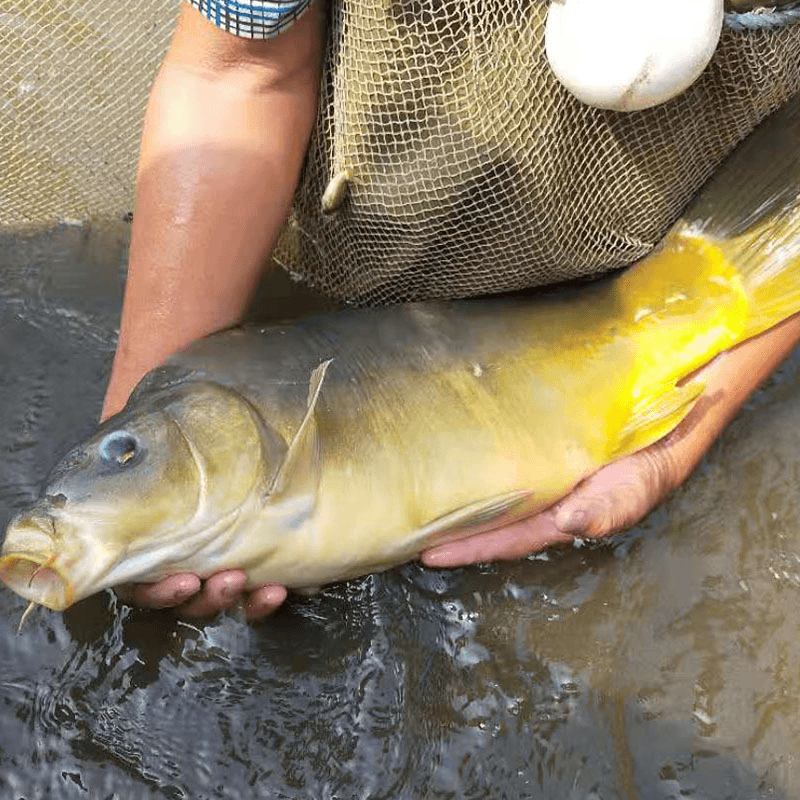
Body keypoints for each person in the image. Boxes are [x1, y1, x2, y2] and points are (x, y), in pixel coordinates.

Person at [105, 1, 800, 619]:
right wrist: (152, 405)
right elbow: (234, 72)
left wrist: (679, 433)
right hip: (358, 246)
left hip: (671, 232)